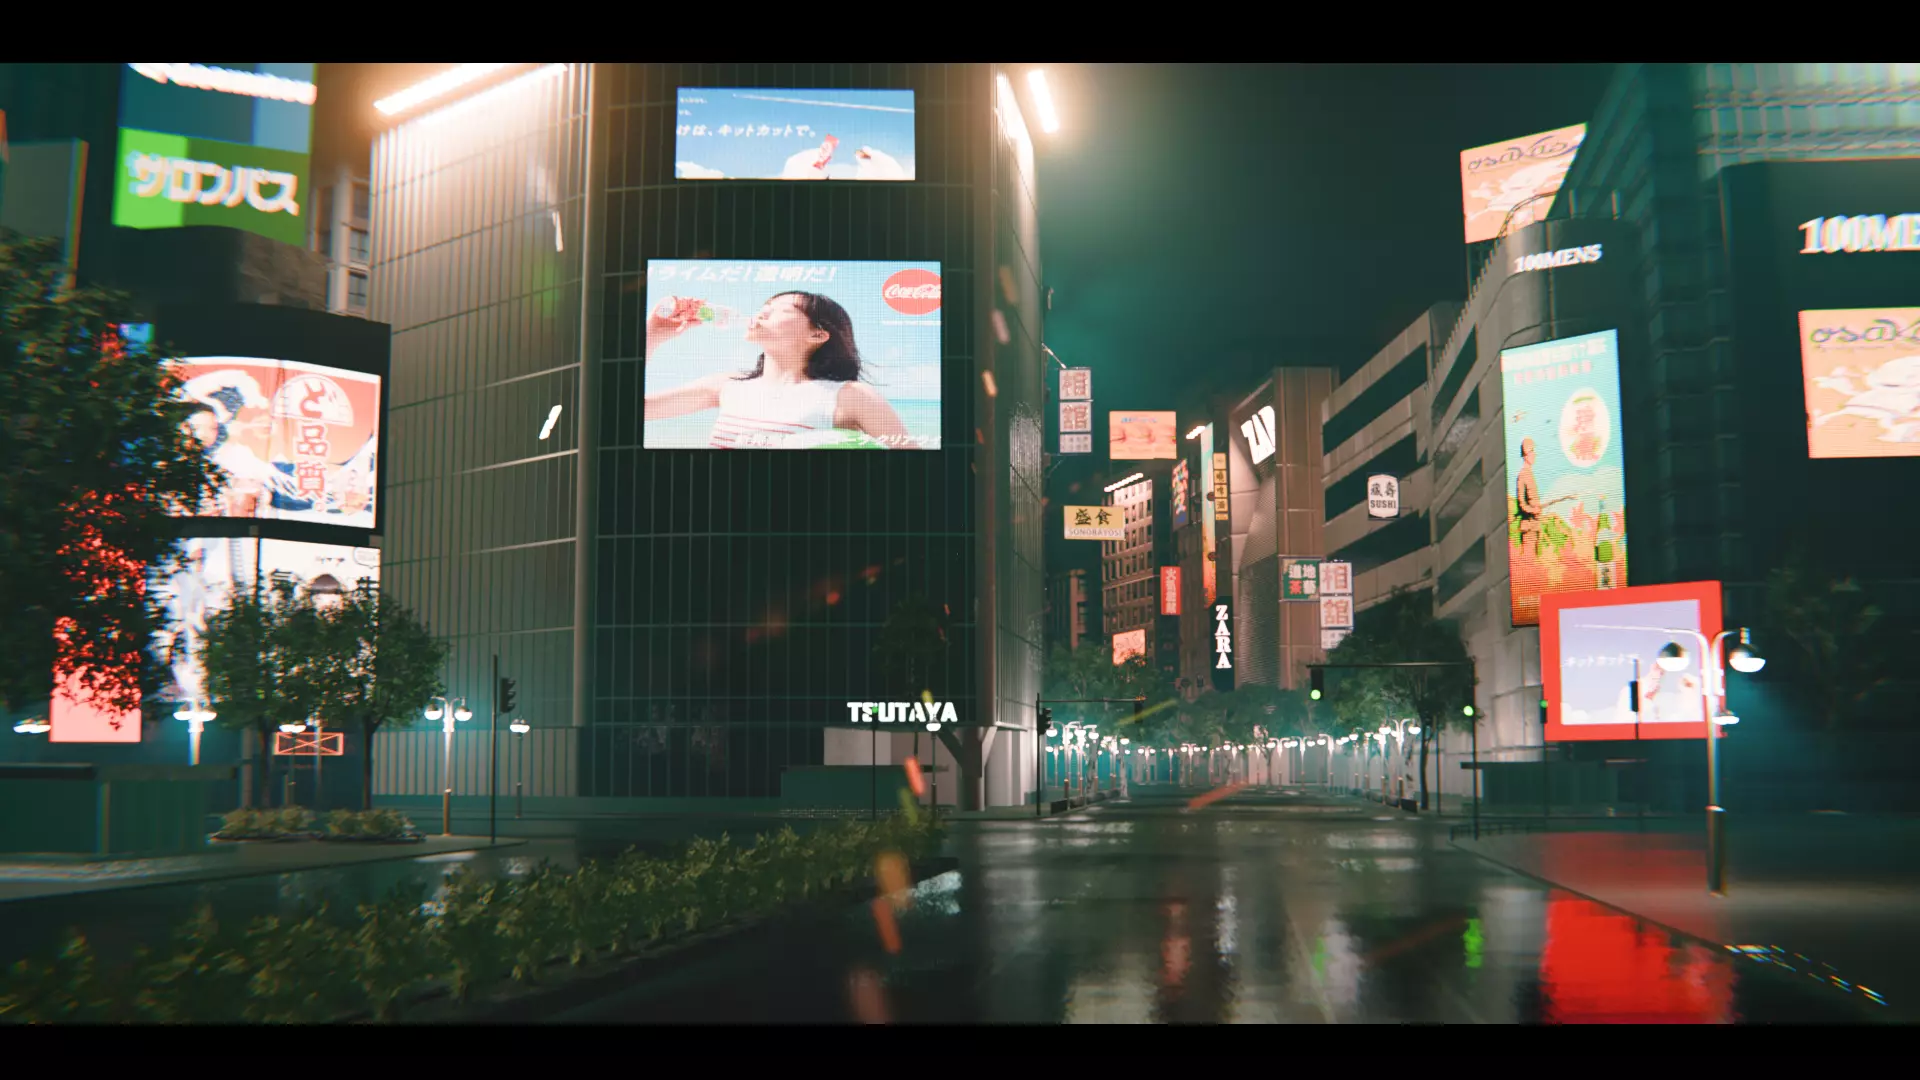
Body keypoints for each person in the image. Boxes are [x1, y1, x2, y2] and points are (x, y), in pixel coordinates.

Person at [644, 290, 912, 449]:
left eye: (777, 310)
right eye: (762, 308)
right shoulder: (727, 385)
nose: (760, 314)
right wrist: (652, 335)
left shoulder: (851, 396)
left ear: (817, 335)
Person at [1515, 437, 1542, 560]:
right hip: (1528, 527)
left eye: (1534, 451)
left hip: (1535, 526)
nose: (1534, 454)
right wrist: (1533, 510)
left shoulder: (1530, 473)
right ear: (1525, 455)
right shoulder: (1522, 475)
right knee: (1528, 562)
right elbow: (1522, 504)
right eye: (1531, 451)